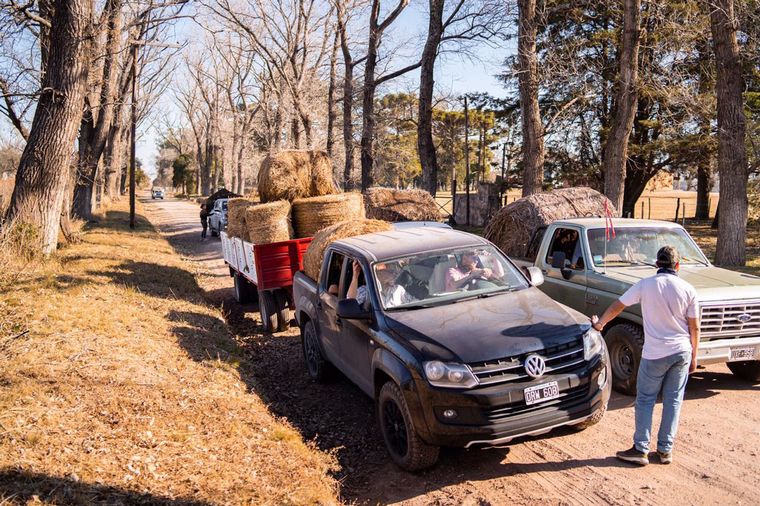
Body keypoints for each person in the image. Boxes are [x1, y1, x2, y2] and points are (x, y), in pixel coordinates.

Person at [592, 246, 699, 466]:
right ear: (677, 266)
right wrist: (694, 356)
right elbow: (694, 327)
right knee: (673, 401)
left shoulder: (645, 285)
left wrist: (600, 324)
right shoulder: (689, 289)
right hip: (681, 352)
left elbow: (618, 306)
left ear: (657, 265)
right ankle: (665, 451)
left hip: (655, 354)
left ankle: (640, 449)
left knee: (645, 399)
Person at [347, 260, 415, 308]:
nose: (392, 272)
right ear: (376, 273)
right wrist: (355, 277)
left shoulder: (398, 289)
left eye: (392, 268)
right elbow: (350, 302)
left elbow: (413, 303)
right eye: (386, 269)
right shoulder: (366, 290)